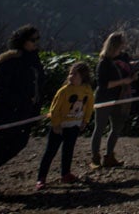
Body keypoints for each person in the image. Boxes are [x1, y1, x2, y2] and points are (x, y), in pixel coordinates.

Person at [0, 24, 45, 200]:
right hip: (5, 113)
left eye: (37, 39)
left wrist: (34, 109)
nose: (36, 42)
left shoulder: (34, 60)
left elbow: (38, 86)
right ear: (23, 41)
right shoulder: (12, 61)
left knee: (20, 143)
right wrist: (19, 100)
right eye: (33, 39)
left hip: (25, 113)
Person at [35, 61, 94, 189]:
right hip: (60, 126)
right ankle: (41, 178)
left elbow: (89, 106)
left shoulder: (87, 90)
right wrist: (56, 125)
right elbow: (54, 109)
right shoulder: (64, 91)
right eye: (70, 73)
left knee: (68, 150)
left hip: (74, 126)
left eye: (75, 74)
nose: (71, 76)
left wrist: (85, 121)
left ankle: (65, 174)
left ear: (83, 76)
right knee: (50, 152)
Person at [91, 31, 137, 168]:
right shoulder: (104, 63)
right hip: (104, 98)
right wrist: (123, 81)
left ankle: (109, 156)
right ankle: (95, 157)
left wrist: (132, 76)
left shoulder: (123, 58)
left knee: (116, 127)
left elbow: (126, 73)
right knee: (99, 128)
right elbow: (103, 84)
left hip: (119, 98)